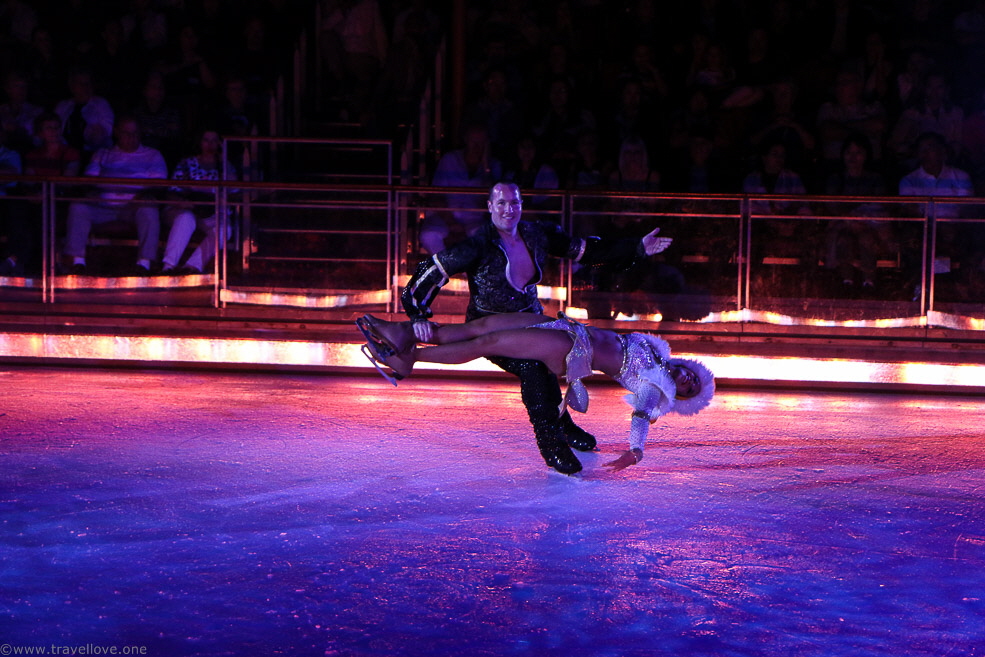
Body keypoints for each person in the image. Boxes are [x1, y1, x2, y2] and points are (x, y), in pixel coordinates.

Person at [398, 181, 674, 475]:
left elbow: (587, 250)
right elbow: (434, 268)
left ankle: (563, 426)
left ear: (521, 205)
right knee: (533, 367)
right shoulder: (478, 244)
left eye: (514, 203)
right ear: (490, 207)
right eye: (501, 203)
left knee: (558, 357)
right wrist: (417, 313)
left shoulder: (537, 234)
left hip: (533, 319)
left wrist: (635, 247)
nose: (509, 210)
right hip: (489, 327)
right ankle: (551, 442)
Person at [357, 311, 714, 473]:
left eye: (689, 389)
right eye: (693, 376)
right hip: (568, 326)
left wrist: (635, 452)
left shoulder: (654, 387)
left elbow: (640, 416)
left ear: (680, 397)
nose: (687, 380)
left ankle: (411, 359)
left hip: (572, 350)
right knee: (482, 324)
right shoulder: (656, 350)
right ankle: (402, 332)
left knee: (489, 341)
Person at [62, 115, 168, 276]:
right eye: (126, 133)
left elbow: (159, 184)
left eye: (135, 133)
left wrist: (145, 194)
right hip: (103, 204)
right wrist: (92, 192)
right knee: (78, 206)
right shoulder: (103, 153)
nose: (131, 138)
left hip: (134, 206)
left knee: (149, 209)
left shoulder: (153, 155)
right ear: (117, 133)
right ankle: (77, 262)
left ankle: (144, 263)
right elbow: (90, 179)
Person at [161, 129, 237, 275]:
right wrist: (184, 202)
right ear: (200, 142)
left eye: (214, 141)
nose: (210, 145)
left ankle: (191, 267)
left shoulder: (226, 167)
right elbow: (172, 192)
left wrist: (223, 161)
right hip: (186, 208)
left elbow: (234, 193)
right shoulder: (187, 164)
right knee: (185, 219)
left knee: (224, 230)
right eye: (207, 140)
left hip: (211, 212)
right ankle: (168, 266)